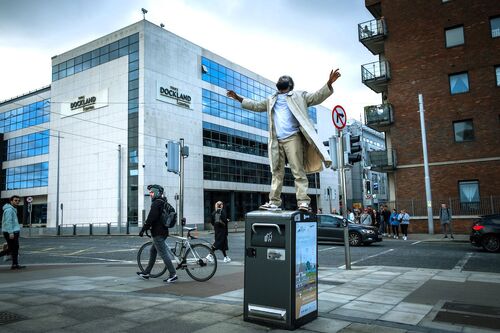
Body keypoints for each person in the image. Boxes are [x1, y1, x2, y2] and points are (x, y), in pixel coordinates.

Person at [227, 69, 341, 212]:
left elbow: (317, 97)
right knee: (276, 171)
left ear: (290, 84)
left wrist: (329, 83)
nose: (282, 77)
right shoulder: (271, 99)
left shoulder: (299, 96)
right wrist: (238, 98)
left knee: (298, 171)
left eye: (285, 77)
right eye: (281, 77)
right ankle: (274, 202)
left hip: (293, 137)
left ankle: (303, 202)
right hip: (276, 140)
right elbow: (256, 106)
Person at [137, 185, 178, 283]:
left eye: (151, 192)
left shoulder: (156, 203)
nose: (150, 194)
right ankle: (147, 272)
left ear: (155, 192)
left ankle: (173, 274)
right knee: (153, 251)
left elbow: (151, 217)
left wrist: (143, 229)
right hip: (163, 231)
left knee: (163, 254)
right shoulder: (163, 202)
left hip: (158, 232)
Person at [2, 195, 25, 270]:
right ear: (11, 201)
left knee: (15, 248)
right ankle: (14, 264)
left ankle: (15, 265)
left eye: (18, 200)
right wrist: (11, 232)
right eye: (15, 200)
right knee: (11, 248)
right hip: (11, 232)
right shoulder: (9, 210)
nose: (17, 202)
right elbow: (8, 222)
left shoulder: (13, 209)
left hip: (14, 231)